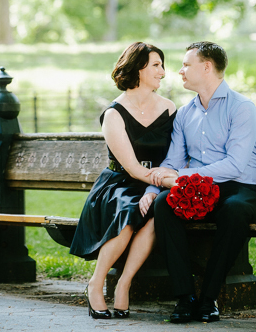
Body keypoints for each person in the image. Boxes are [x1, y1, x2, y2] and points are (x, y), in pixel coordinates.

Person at [148, 41, 256, 324]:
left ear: (207, 67)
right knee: (163, 205)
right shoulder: (185, 114)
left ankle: (209, 298)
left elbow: (235, 165)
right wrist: (153, 188)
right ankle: (185, 297)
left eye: (186, 64)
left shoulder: (242, 108)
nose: (180, 70)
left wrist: (183, 177)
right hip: (198, 192)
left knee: (234, 211)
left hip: (239, 190)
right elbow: (172, 161)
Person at [69, 42, 176, 320]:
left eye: (162, 65)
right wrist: (166, 182)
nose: (163, 72)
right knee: (129, 211)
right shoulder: (114, 114)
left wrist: (156, 189)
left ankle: (124, 283)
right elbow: (132, 168)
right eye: (156, 65)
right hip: (119, 184)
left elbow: (176, 156)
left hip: (154, 185)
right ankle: (96, 283)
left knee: (157, 214)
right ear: (138, 68)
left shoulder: (169, 108)